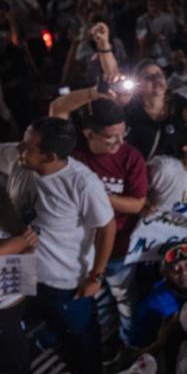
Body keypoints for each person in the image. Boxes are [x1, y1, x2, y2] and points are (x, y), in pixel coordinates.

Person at [2, 117, 115, 374]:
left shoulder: (82, 184)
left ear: (50, 156)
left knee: (81, 340)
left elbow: (107, 227)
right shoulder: (18, 159)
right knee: (33, 328)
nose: (19, 149)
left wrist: (96, 275)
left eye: (28, 147)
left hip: (65, 284)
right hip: (23, 272)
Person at [49, 93, 148, 345]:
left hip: (117, 250)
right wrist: (94, 92)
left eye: (123, 134)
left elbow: (137, 203)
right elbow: (57, 109)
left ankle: (130, 342)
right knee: (97, 303)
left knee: (125, 300)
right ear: (88, 134)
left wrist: (96, 194)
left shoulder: (130, 157)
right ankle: (107, 342)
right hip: (79, 251)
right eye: (110, 136)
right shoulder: (72, 152)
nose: (119, 141)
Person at [130, 242, 187, 349]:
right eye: (175, 267)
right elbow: (136, 347)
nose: (184, 272)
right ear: (164, 272)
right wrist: (160, 341)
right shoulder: (154, 305)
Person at [0, 186, 38, 374]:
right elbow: (24, 241)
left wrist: (24, 244)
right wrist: (20, 243)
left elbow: (29, 247)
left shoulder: (6, 213)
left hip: (12, 305)